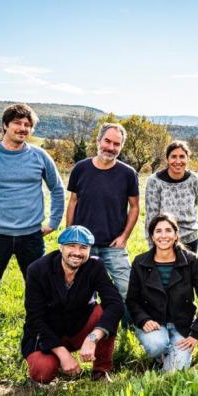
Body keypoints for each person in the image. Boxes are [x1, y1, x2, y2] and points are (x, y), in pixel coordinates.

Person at [0, 103, 65, 354]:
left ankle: (35, 346)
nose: (23, 128)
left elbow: (57, 188)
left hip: (31, 236)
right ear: (5, 125)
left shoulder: (39, 156)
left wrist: (53, 222)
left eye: (28, 125)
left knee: (39, 295)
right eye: (18, 123)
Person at [21, 226, 125, 383]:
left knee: (105, 311)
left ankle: (101, 370)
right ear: (60, 247)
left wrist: (93, 337)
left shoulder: (95, 266)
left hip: (80, 327)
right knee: (43, 372)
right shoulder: (37, 270)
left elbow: (115, 303)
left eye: (83, 248)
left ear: (90, 250)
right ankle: (58, 360)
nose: (77, 252)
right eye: (71, 246)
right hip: (48, 333)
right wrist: (62, 352)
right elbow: (35, 318)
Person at [126, 213, 198, 372]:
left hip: (182, 325)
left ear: (176, 235)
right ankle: (160, 354)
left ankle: (170, 358)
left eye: (168, 230)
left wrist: (196, 333)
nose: (163, 235)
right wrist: (143, 319)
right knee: (156, 345)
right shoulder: (140, 262)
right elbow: (132, 300)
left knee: (175, 371)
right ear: (152, 236)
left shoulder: (191, 260)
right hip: (153, 322)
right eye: (158, 231)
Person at [66, 122, 139, 302]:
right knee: (82, 290)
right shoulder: (80, 168)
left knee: (127, 287)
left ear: (121, 147)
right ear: (98, 141)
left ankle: (127, 324)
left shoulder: (128, 173)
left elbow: (135, 207)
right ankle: (90, 324)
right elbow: (73, 201)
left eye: (116, 144)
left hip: (113, 244)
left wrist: (124, 237)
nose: (111, 147)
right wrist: (70, 236)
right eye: (107, 141)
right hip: (83, 244)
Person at [144, 141, 198, 252]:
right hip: (164, 241)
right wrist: (152, 246)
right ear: (167, 159)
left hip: (190, 239)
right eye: (173, 157)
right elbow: (151, 217)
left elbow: (196, 203)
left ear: (188, 159)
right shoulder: (154, 181)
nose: (178, 161)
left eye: (182, 157)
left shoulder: (194, 180)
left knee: (190, 269)